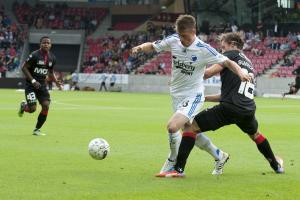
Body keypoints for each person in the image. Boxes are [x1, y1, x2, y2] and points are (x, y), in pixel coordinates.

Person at [132, 15, 252, 176]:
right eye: (180, 36)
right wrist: (140, 47)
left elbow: (227, 62)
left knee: (172, 127)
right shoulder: (173, 40)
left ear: (193, 31)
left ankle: (172, 161)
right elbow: (152, 46)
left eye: (185, 36)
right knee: (189, 130)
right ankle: (219, 155)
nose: (182, 40)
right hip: (176, 94)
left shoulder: (203, 48)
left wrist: (240, 73)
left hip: (194, 95)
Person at [158, 32, 284, 177]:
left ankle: (178, 169)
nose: (221, 51)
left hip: (229, 108)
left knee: (190, 126)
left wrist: (182, 78)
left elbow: (208, 73)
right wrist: (203, 98)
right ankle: (276, 165)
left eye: (223, 47)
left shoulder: (230, 56)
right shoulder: (248, 62)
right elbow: (228, 95)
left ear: (232, 45)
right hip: (247, 109)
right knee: (255, 134)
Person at [18, 36, 63, 136]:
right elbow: (24, 68)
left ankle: (37, 129)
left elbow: (51, 72)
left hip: (42, 86)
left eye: (48, 43)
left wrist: (56, 82)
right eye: (44, 42)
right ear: (40, 44)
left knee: (46, 106)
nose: (46, 44)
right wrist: (33, 80)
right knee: (32, 109)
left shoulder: (52, 58)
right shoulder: (34, 55)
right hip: (31, 85)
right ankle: (23, 106)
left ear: (50, 45)